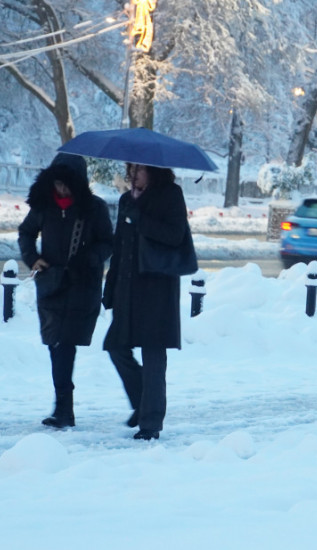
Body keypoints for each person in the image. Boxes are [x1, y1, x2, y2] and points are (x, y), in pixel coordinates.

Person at [18, 153, 113, 429]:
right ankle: (63, 407)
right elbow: (26, 232)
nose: (62, 190)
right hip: (50, 284)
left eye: (67, 184)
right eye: (58, 184)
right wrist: (31, 258)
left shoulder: (95, 209)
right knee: (55, 345)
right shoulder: (43, 205)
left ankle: (63, 409)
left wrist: (90, 258)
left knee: (65, 345)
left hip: (82, 286)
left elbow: (108, 242)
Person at [103, 163, 196, 441]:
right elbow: (119, 246)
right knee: (116, 346)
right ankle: (144, 401)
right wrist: (110, 288)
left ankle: (151, 422)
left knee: (154, 357)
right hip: (127, 289)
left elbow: (174, 235)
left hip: (157, 290)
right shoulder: (126, 200)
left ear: (154, 170)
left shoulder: (170, 195)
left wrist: (140, 218)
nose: (133, 174)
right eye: (130, 168)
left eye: (139, 169)